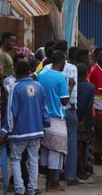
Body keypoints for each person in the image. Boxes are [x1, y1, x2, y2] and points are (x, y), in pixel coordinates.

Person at [0, 61, 50, 195]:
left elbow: (11, 112)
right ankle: (32, 189)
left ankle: (19, 189)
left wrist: (4, 130)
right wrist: (45, 123)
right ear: (29, 71)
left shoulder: (15, 87)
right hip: (37, 130)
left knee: (16, 159)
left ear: (16, 72)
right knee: (33, 160)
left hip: (19, 132)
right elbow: (45, 108)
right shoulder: (39, 86)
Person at [44, 40, 79, 186]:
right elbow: (70, 94)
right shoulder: (72, 68)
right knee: (70, 145)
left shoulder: (45, 69)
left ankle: (54, 178)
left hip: (49, 112)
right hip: (68, 109)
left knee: (53, 146)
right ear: (66, 54)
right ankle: (70, 177)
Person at [38, 51, 70, 191]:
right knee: (56, 151)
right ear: (62, 61)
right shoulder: (61, 78)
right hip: (56, 118)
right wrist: (71, 86)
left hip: (42, 117)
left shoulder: (41, 74)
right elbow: (64, 101)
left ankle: (47, 182)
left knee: (45, 149)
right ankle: (51, 183)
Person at [76, 63, 95, 184]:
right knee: (86, 146)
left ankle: (78, 170)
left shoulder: (72, 85)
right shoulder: (90, 87)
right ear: (87, 73)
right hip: (86, 121)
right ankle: (85, 172)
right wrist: (83, 121)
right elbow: (89, 107)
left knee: (76, 147)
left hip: (74, 119)